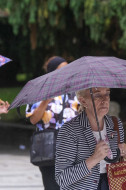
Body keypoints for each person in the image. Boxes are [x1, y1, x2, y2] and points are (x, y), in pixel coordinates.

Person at [55, 87, 126, 190]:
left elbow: (122, 164)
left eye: (107, 94)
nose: (104, 100)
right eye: (97, 95)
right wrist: (93, 159)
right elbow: (62, 179)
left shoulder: (115, 123)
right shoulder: (70, 130)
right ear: (83, 101)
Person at [25, 56, 79, 190]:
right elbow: (33, 120)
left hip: (71, 148)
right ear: (52, 72)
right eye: (63, 69)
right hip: (48, 150)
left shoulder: (74, 93)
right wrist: (45, 101)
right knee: (52, 186)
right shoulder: (38, 92)